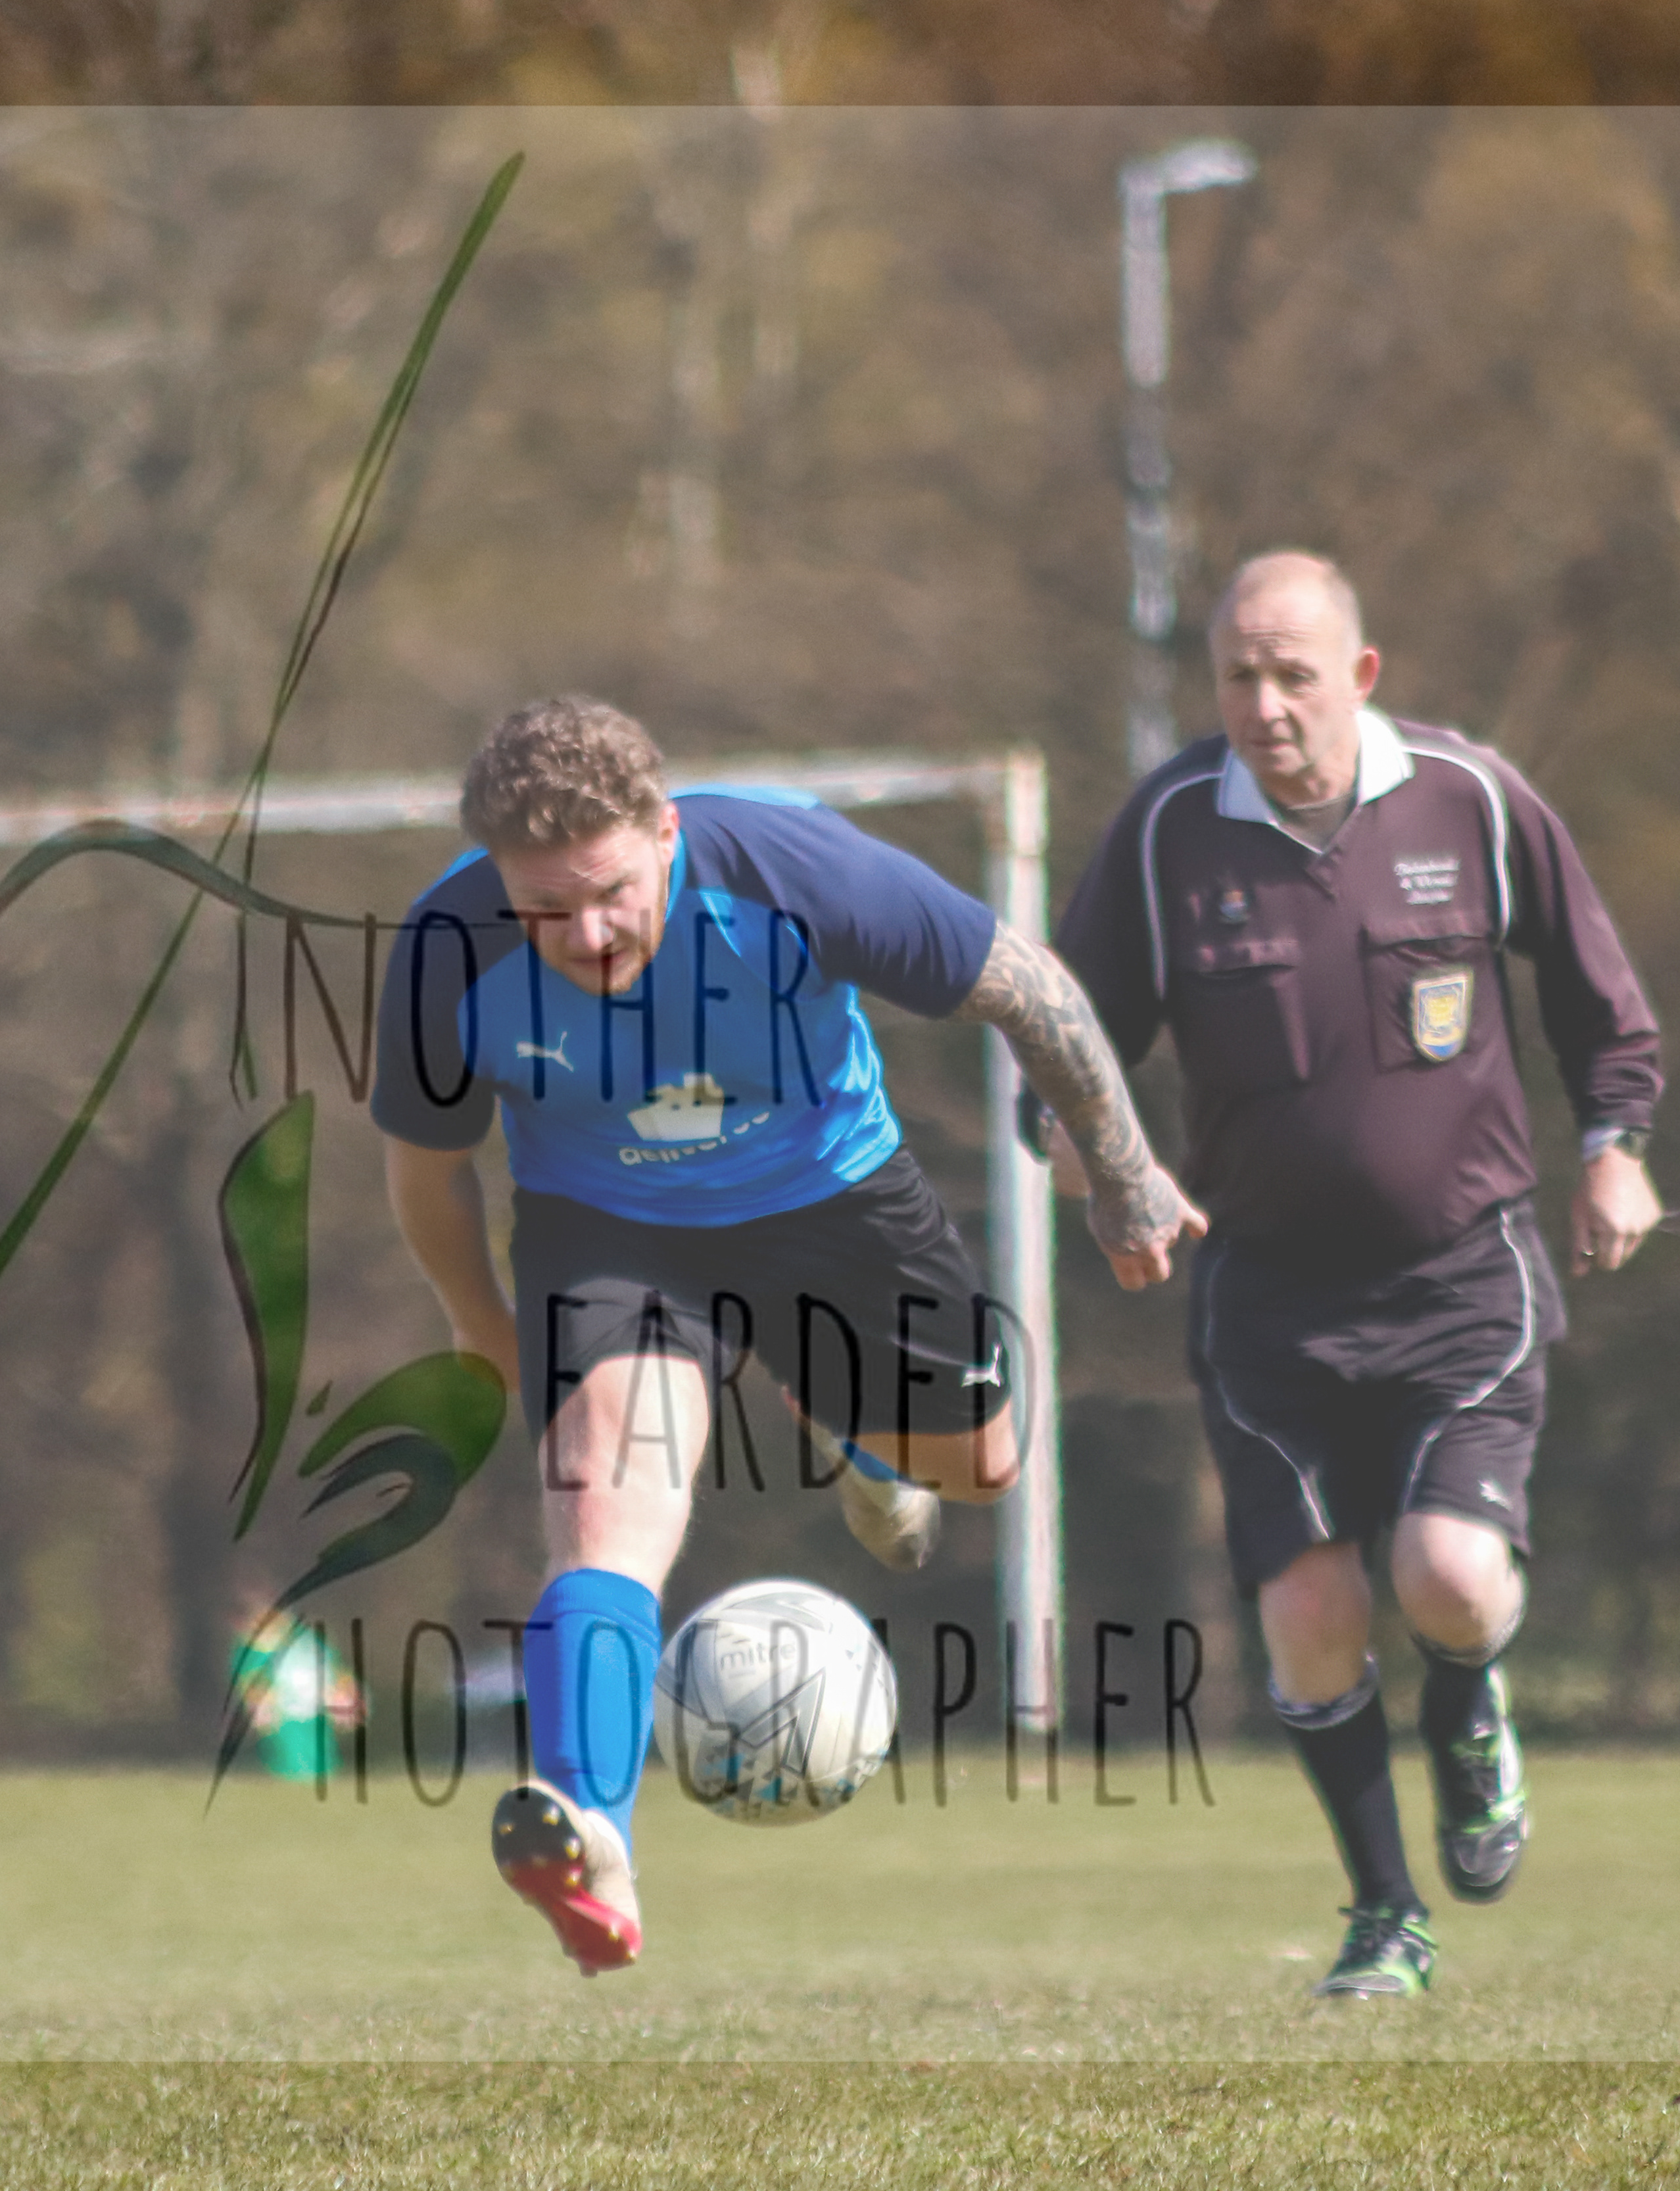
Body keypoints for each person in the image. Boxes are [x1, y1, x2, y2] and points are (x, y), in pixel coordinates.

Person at [370, 696, 1193, 1976]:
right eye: (546, 909)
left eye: (611, 893)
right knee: (603, 1503)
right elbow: (427, 1175)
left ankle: (851, 1430)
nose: (586, 935)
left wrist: (1125, 1171)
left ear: (666, 833)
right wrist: (486, 1331)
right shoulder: (445, 951)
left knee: (982, 1469)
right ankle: (592, 1830)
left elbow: (1029, 989)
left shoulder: (794, 871)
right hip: (611, 1227)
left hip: (832, 1201)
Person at [1032, 552, 1664, 2001]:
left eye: (1294, 674)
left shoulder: (1472, 799)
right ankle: (1387, 1917)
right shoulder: (1168, 833)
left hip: (1464, 1279)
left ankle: (1470, 1706)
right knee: (1311, 1620)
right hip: (1267, 1297)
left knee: (1448, 1579)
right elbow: (1065, 1045)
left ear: (1362, 676)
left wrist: (1615, 1150)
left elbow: (1600, 1003)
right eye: (1238, 677)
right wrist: (1103, 1168)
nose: (1265, 705)